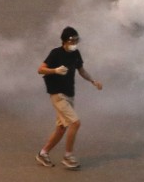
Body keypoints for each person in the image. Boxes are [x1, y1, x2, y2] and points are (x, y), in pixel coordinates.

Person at [36, 27, 102, 170]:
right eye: (72, 41)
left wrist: (93, 81)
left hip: (69, 95)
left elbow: (81, 70)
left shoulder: (75, 53)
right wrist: (55, 70)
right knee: (75, 123)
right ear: (64, 41)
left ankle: (43, 153)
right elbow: (40, 69)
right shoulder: (55, 54)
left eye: (76, 40)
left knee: (61, 128)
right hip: (58, 95)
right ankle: (68, 156)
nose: (75, 43)